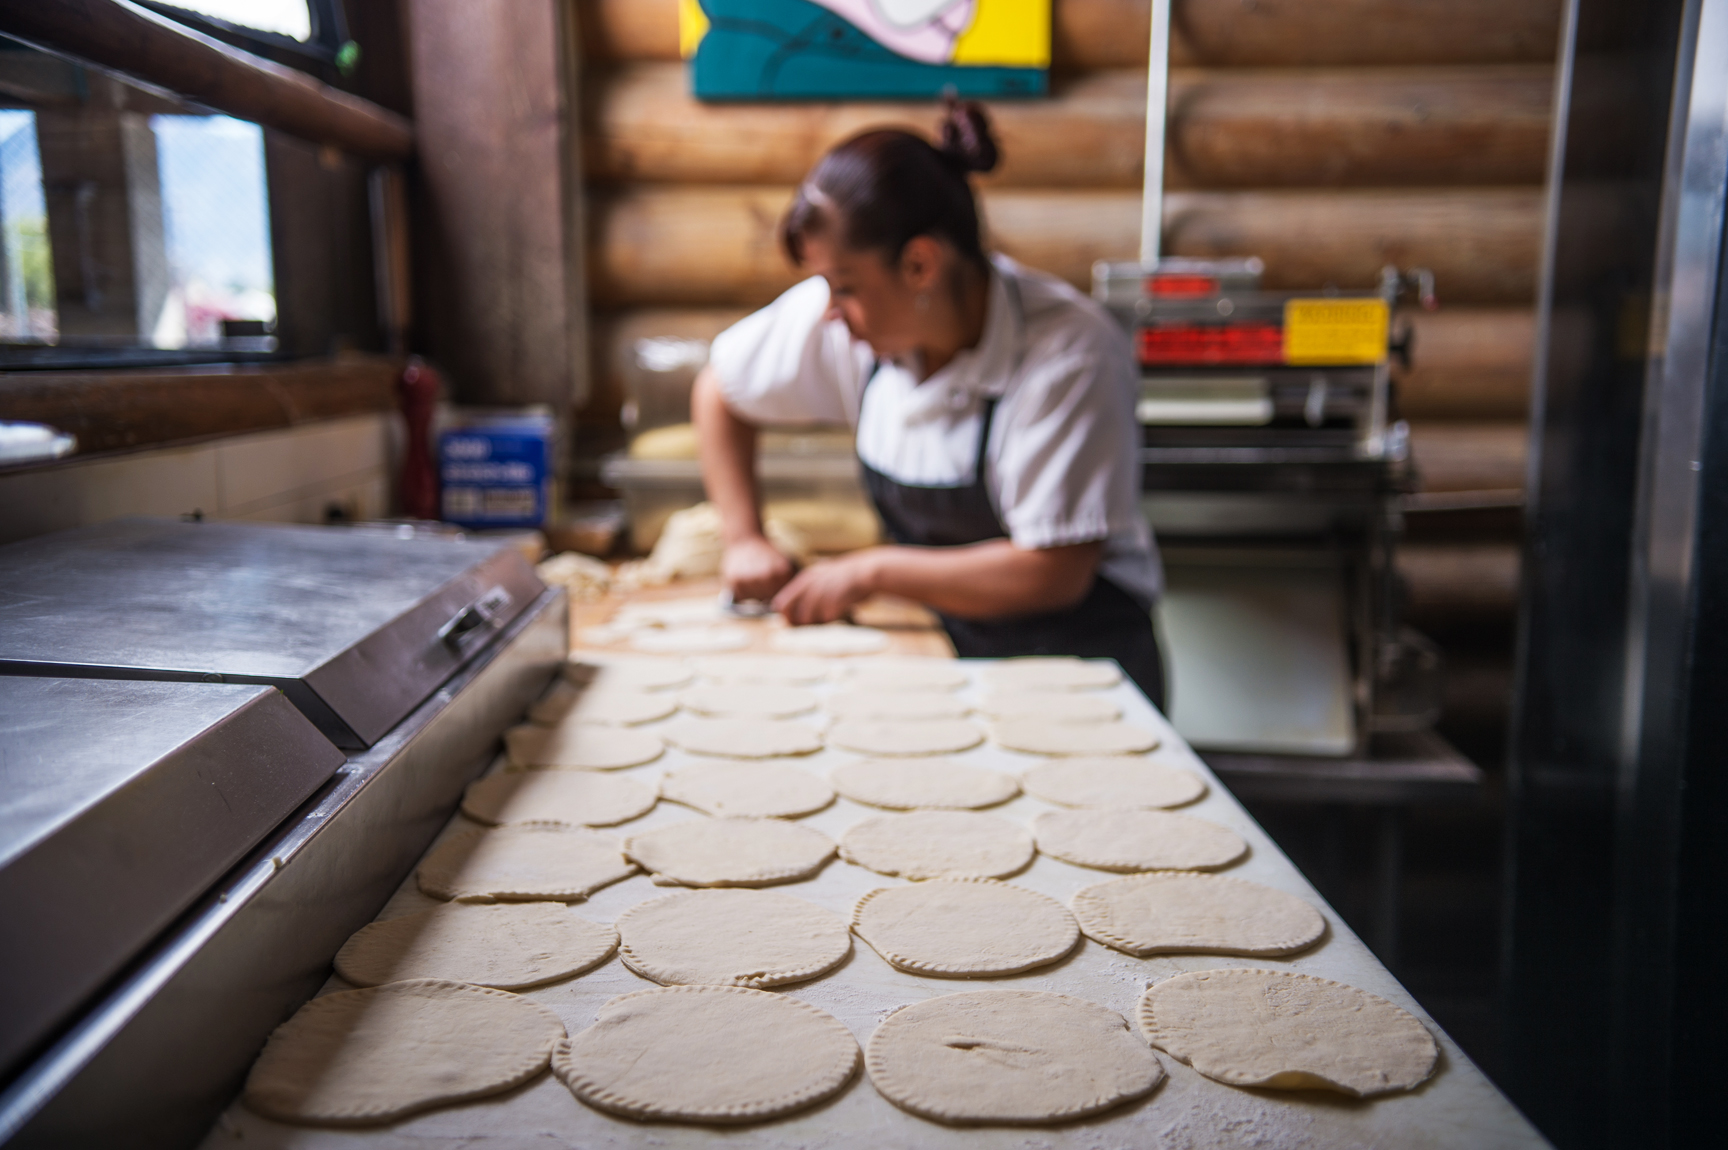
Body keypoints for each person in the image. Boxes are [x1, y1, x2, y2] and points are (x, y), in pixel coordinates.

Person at [692, 100, 1166, 706]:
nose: (829, 312)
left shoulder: (1070, 356)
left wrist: (871, 572)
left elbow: (1053, 573)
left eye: (844, 287)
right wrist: (743, 538)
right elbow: (719, 390)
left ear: (920, 264)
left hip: (1081, 672)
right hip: (945, 661)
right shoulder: (847, 321)